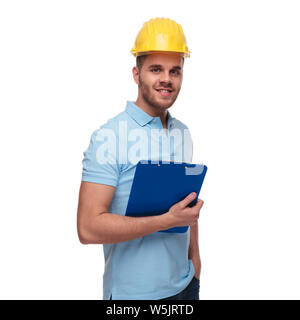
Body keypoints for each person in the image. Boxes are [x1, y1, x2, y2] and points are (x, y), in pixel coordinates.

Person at [77, 17, 204, 300]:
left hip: (184, 287)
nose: (167, 80)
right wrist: (165, 220)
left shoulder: (182, 133)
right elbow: (87, 228)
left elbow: (187, 203)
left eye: (175, 71)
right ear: (137, 74)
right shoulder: (109, 137)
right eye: (156, 69)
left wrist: (195, 261)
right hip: (132, 297)